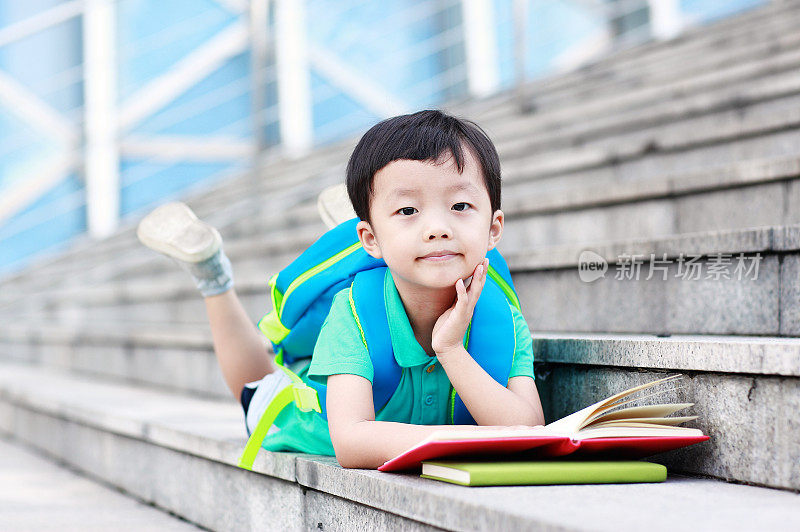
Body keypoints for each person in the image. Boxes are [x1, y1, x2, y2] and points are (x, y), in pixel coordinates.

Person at [137, 109, 545, 470]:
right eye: (409, 210)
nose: (438, 227)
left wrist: (451, 350)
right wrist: (476, 441)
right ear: (370, 239)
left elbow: (529, 427)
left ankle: (366, 225)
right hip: (309, 419)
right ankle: (212, 275)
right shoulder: (351, 312)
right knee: (255, 385)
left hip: (396, 392)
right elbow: (351, 443)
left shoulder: (501, 317)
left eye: (459, 207)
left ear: (493, 230)